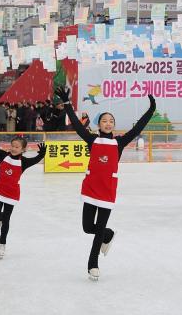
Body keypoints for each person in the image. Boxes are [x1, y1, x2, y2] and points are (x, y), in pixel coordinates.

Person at [55, 87, 155, 281]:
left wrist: (151, 110)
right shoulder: (92, 140)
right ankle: (108, 234)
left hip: (107, 191)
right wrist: (67, 104)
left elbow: (138, 128)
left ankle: (93, 264)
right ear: (99, 124)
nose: (108, 123)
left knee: (98, 230)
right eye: (104, 120)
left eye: (111, 121)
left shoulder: (119, 142)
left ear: (114, 125)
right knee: (87, 227)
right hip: (91, 188)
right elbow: (76, 125)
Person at [0, 127, 46, 259]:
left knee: (7, 219)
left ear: (23, 150)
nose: (14, 148)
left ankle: (2, 243)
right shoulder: (3, 155)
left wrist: (42, 154)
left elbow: (36, 159)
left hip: (12, 193)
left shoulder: (24, 162)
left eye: (17, 147)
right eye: (12, 146)